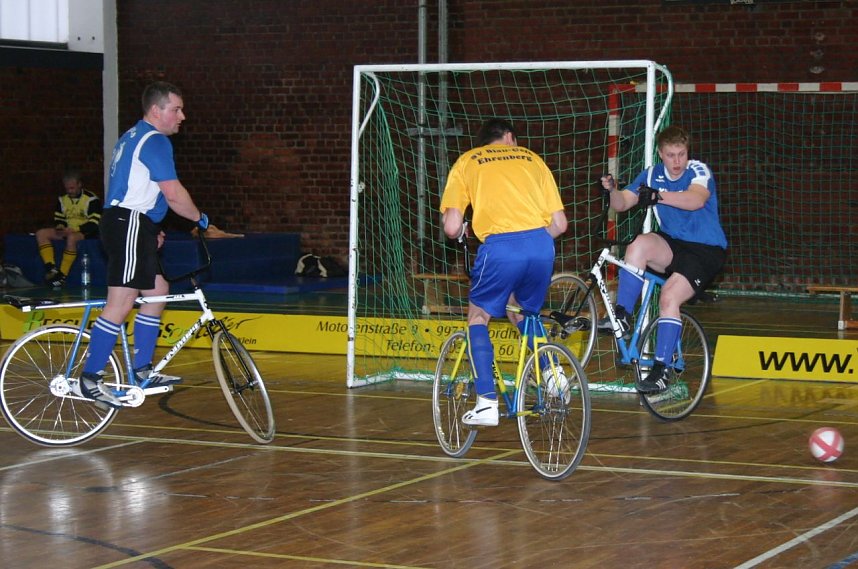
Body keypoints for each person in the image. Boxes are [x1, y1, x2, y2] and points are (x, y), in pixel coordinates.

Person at [76, 81, 210, 409]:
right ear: (156, 111)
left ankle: (142, 370)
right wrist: (202, 220)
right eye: (176, 109)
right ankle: (90, 378)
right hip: (128, 223)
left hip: (131, 223)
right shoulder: (155, 141)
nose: (182, 116)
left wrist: (149, 228)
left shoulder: (133, 136)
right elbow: (174, 194)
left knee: (158, 291)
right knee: (121, 301)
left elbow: (137, 187)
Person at [439, 118, 567, 427]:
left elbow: (452, 226)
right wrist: (530, 242)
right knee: (523, 312)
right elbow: (560, 224)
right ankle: (552, 374)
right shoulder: (532, 158)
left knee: (478, 317)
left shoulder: (468, 161)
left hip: (500, 248)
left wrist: (466, 231)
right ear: (509, 137)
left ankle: (486, 401)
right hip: (540, 246)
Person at [598, 125, 727, 393]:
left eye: (681, 154)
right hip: (674, 245)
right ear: (660, 154)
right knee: (638, 245)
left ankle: (661, 369)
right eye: (671, 155)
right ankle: (622, 315)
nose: (677, 161)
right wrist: (612, 190)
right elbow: (622, 203)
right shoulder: (652, 174)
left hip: (705, 250)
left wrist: (657, 195)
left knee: (668, 297)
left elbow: (695, 200)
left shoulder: (698, 171)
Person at [35, 170, 102, 288]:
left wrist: (75, 229)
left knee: (71, 238)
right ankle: (51, 268)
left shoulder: (91, 199)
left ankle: (62, 275)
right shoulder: (62, 199)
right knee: (41, 233)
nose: (70, 191)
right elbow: (59, 218)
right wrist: (60, 227)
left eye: (72, 188)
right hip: (67, 230)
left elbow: (94, 223)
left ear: (79, 184)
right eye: (67, 189)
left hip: (86, 231)